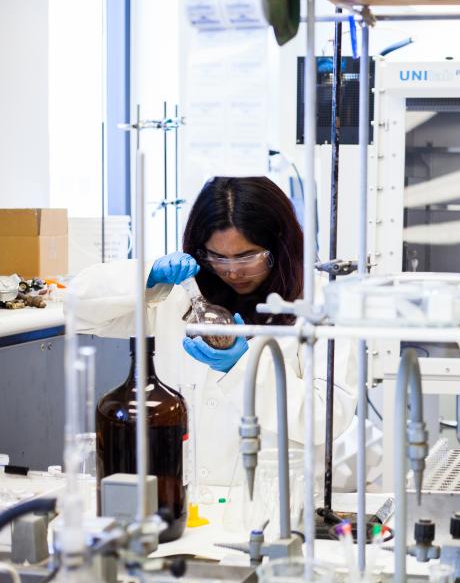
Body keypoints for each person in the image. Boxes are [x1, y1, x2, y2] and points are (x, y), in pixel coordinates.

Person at [69, 176, 357, 486]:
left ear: (279, 247)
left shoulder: (321, 304)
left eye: (247, 257)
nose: (232, 271)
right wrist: (148, 275)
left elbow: (325, 418)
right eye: (217, 256)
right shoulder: (175, 297)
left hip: (272, 498)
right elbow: (79, 310)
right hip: (187, 495)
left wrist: (242, 368)